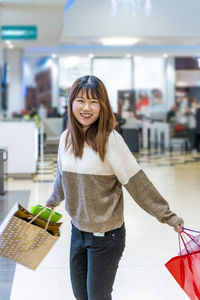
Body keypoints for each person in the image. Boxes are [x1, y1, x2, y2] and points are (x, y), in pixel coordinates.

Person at [46, 75, 184, 300]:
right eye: (81, 100)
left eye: (94, 102)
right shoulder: (65, 139)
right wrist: (50, 203)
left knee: (97, 297)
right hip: (77, 232)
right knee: (81, 296)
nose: (87, 108)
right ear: (71, 103)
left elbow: (138, 183)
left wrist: (169, 217)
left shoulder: (111, 141)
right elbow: (62, 179)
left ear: (103, 106)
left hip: (106, 236)